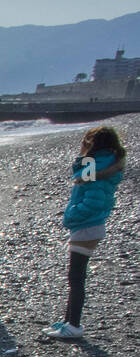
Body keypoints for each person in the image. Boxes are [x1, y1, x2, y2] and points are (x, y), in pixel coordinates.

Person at [43, 126, 127, 340]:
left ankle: (74, 325)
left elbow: (92, 199)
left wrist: (72, 215)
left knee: (76, 278)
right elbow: (80, 177)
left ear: (93, 143)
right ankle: (68, 322)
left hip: (87, 226)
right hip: (90, 226)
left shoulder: (95, 164)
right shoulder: (102, 163)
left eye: (85, 141)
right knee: (75, 277)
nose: (82, 143)